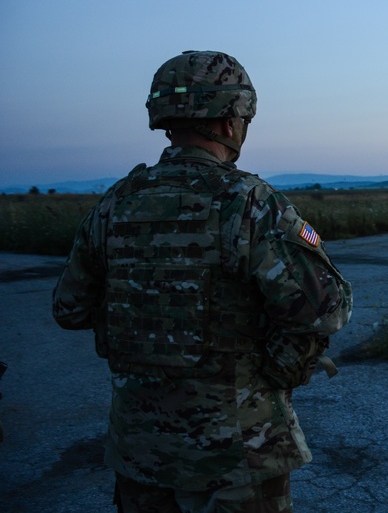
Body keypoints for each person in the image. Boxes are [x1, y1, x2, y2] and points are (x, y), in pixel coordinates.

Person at [52, 50, 352, 512]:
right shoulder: (249, 202)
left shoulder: (116, 203)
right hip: (236, 455)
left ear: (168, 119)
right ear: (232, 122)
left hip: (140, 453)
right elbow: (324, 309)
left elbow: (69, 310)